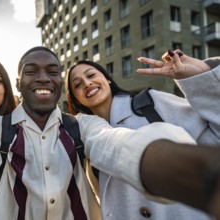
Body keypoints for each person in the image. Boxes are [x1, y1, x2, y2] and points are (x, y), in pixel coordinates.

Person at [0, 46, 219, 220]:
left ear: (61, 85)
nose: (43, 77)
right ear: (18, 84)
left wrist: (199, 174)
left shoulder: (84, 126)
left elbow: (118, 145)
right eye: (31, 72)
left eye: (53, 71)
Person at [66, 49, 220, 220]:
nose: (87, 83)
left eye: (91, 75)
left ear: (107, 79)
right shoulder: (82, 136)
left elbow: (215, 136)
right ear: (76, 99)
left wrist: (202, 75)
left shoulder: (150, 103)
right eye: (77, 84)